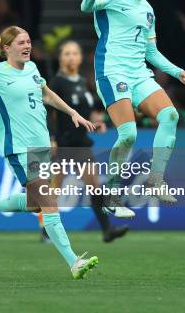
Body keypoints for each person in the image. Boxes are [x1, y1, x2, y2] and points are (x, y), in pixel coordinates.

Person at [0, 25, 99, 280]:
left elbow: (47, 95)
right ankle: (73, 261)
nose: (27, 46)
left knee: (35, 204)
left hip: (40, 146)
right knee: (49, 202)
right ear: (7, 48)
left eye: (29, 41)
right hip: (19, 148)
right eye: (21, 43)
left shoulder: (32, 69)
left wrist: (73, 112)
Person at [80, 0, 185, 218]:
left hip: (139, 74)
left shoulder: (147, 10)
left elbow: (151, 52)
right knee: (128, 134)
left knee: (170, 115)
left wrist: (177, 72)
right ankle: (112, 193)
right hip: (112, 72)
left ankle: (156, 179)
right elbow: (85, 7)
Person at [40, 40, 129, 243]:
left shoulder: (83, 82)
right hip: (63, 143)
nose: (71, 57)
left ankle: (107, 230)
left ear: (80, 58)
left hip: (81, 143)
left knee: (94, 187)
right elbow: (48, 113)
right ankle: (47, 230)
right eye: (67, 54)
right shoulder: (57, 82)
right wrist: (52, 138)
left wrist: (96, 122)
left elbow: (87, 112)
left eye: (74, 53)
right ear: (61, 58)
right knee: (55, 188)